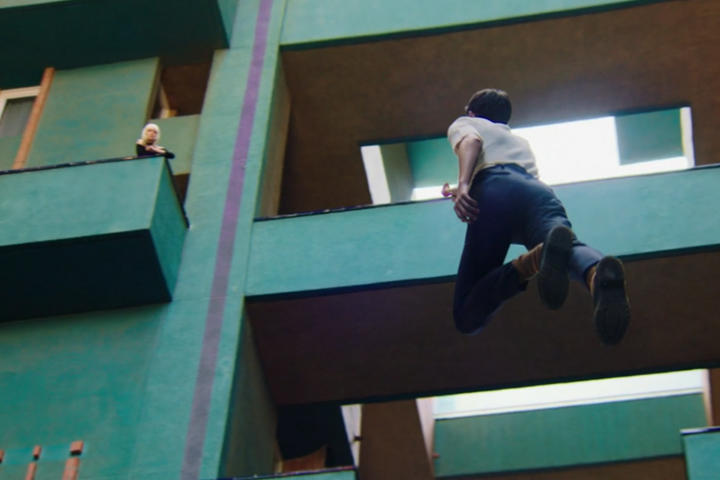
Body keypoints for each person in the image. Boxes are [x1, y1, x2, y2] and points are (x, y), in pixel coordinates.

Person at [444, 88, 630, 345]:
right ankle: (596, 274)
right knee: (565, 246)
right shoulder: (519, 142)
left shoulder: (465, 123)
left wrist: (464, 184)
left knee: (466, 316)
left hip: (494, 191)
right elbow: (508, 174)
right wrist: (463, 187)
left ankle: (532, 262)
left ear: (471, 112)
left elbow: (472, 141)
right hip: (537, 193)